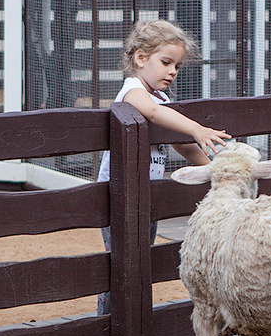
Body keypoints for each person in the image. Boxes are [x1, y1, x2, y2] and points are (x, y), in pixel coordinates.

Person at [96, 20, 231, 315]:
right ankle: (107, 323)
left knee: (141, 261)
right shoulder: (133, 91)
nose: (172, 71)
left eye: (177, 66)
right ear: (141, 58)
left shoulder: (162, 98)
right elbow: (154, 114)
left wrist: (215, 169)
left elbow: (181, 144)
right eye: (166, 62)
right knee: (122, 264)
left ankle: (134, 320)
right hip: (120, 198)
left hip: (147, 198)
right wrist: (197, 129)